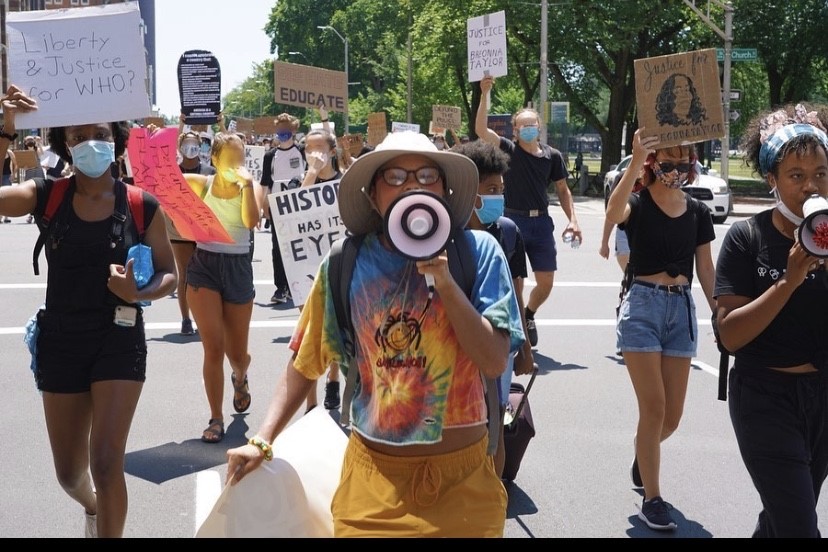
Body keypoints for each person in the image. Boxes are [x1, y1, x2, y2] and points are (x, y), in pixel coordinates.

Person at [226, 131, 525, 537]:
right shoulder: (345, 262)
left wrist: (446, 283)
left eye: (426, 176)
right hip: (374, 483)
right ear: (372, 195)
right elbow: (305, 360)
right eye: (397, 177)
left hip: (464, 483)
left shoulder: (478, 253)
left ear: (445, 189)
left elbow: (493, 359)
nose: (414, 186)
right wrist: (261, 440)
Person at [0, 85, 177, 538]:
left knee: (105, 461)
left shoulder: (141, 205)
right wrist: (4, 127)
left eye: (99, 133)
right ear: (65, 145)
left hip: (118, 339)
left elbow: (169, 275)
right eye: (78, 136)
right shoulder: (46, 196)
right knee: (69, 473)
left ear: (115, 140)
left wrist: (138, 294)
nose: (89, 142)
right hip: (60, 340)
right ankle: (92, 508)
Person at [714, 103, 828, 538]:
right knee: (799, 525)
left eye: (819, 173)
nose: (810, 186)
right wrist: (790, 280)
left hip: (821, 396)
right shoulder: (747, 238)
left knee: (781, 519)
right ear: (772, 182)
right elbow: (730, 335)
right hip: (764, 396)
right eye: (796, 176)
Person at [605, 128, 716, 531]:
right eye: (668, 162)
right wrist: (634, 160)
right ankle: (653, 498)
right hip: (643, 306)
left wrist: (720, 311)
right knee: (652, 408)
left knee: (671, 417)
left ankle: (643, 453)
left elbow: (705, 268)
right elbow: (614, 213)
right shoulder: (638, 202)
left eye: (683, 161)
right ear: (654, 164)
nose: (677, 169)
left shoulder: (699, 212)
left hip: (681, 311)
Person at [476, 74, 582, 347]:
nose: (527, 129)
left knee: (545, 282)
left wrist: (574, 220)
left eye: (531, 124)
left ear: (539, 126)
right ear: (514, 130)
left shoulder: (553, 156)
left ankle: (529, 314)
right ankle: (518, 333)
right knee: (516, 283)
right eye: (522, 125)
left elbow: (562, 189)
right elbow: (481, 130)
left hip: (541, 224)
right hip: (513, 220)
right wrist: (485, 94)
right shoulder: (509, 149)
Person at [452, 139, 534, 478]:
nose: (499, 196)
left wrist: (525, 348)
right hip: (455, 349)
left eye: (501, 188)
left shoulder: (508, 232)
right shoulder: (445, 234)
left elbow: (516, 297)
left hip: (498, 347)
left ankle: (493, 498)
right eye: (491, 189)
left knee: (494, 429)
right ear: (469, 191)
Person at [182, 133, 261, 443]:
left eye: (239, 159)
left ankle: (240, 377)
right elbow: (164, 180)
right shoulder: (203, 184)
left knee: (237, 353)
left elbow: (250, 221)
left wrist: (248, 186)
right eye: (228, 158)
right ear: (213, 160)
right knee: (213, 347)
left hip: (238, 266)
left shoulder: (248, 188)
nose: (235, 165)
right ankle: (216, 417)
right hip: (204, 265)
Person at [295, 128, 343, 413]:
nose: (313, 153)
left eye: (319, 148)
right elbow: (295, 214)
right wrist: (310, 174)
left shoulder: (343, 183)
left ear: (332, 152)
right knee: (308, 332)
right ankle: (311, 403)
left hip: (335, 261)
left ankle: (333, 378)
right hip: (305, 267)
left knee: (337, 325)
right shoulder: (299, 181)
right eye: (308, 148)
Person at [168, 130, 217, 336]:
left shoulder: (210, 171)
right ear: (179, 148)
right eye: (186, 144)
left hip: (204, 227)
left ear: (201, 146)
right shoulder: (172, 171)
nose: (191, 148)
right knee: (185, 273)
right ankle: (186, 319)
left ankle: (203, 317)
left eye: (194, 144)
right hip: (179, 227)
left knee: (206, 274)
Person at [260, 112, 305, 304]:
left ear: (293, 131)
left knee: (298, 248)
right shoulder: (271, 155)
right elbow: (265, 184)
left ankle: (298, 284)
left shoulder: (302, 151)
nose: (282, 133)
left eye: (286, 130)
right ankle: (281, 287)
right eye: (279, 130)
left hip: (300, 207)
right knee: (278, 249)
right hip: (278, 207)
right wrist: (264, 206)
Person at [2, 148, 16, 222]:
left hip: (7, 175)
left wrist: (13, 174)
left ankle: (6, 216)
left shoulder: (9, 152)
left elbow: (15, 163)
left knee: (6, 196)